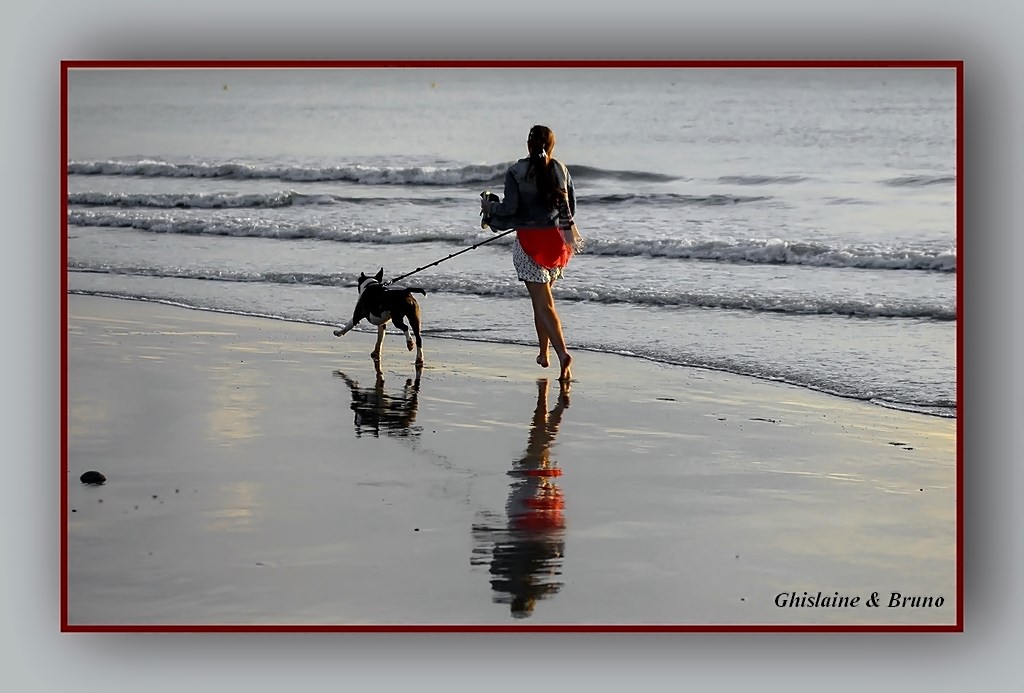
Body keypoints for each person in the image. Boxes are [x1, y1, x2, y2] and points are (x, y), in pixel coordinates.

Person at [481, 124, 581, 382]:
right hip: (558, 244)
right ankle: (543, 353)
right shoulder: (560, 169)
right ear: (551, 146)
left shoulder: (516, 171)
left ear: (528, 145)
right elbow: (572, 208)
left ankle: (563, 354)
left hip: (530, 245)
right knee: (542, 301)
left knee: (544, 303)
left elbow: (510, 208)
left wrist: (489, 207)